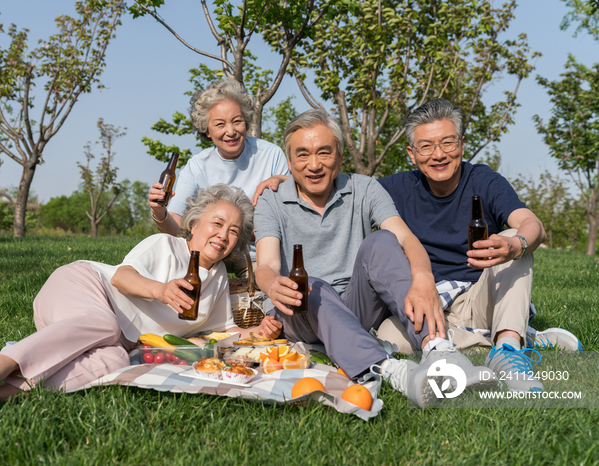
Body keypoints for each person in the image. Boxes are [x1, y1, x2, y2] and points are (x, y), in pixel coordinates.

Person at [0, 184, 282, 430]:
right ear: (194, 224)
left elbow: (220, 330)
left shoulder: (219, 278)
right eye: (217, 223)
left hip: (106, 336)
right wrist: (161, 290)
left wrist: (259, 329)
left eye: (234, 230)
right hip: (83, 286)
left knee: (116, 361)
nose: (224, 234)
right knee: (105, 326)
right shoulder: (165, 245)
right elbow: (122, 277)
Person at [253, 109, 497, 409]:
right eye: (302, 155)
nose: (314, 164)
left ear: (339, 158)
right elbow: (265, 266)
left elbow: (407, 239)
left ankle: (439, 349)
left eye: (324, 153)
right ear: (290, 163)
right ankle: (393, 371)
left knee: (383, 240)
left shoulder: (365, 188)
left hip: (355, 304)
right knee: (312, 285)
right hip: (300, 307)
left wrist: (422, 278)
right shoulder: (271, 199)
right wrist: (272, 284)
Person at [378, 98, 582, 393]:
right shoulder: (392, 188)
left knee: (514, 237)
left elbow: (533, 225)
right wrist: (285, 182)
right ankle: (522, 335)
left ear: (461, 143)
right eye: (426, 146)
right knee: (387, 339)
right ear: (412, 153)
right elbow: (342, 190)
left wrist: (516, 243)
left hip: (480, 297)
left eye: (447, 143)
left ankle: (508, 350)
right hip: (427, 304)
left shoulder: (484, 180)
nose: (438, 155)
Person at [148, 78, 290, 272]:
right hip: (210, 252)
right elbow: (177, 230)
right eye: (220, 124)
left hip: (257, 255)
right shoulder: (197, 166)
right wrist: (159, 212)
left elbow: (291, 212)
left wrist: (283, 180)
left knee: (266, 280)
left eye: (237, 121)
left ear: (246, 121)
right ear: (207, 130)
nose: (230, 131)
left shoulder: (271, 155)